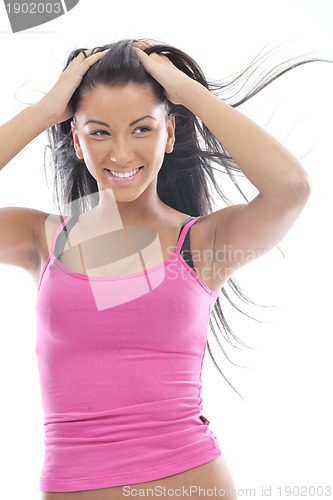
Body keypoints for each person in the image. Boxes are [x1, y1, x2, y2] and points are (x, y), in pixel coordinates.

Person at [0, 38, 312, 499]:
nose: (121, 154)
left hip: (191, 485)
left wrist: (188, 95)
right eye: (100, 132)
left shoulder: (203, 244)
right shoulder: (40, 239)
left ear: (170, 133)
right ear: (76, 138)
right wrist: (47, 109)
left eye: (141, 129)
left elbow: (291, 188)